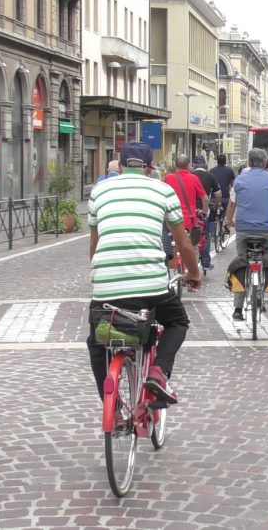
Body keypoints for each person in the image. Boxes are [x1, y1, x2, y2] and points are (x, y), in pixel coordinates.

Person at [88, 143, 200, 404]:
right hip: (151, 287)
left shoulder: (99, 190)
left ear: (121, 164)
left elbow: (94, 243)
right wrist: (194, 273)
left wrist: (101, 275)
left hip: (106, 287)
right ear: (150, 167)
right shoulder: (162, 190)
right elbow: (182, 243)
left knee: (96, 341)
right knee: (177, 322)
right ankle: (159, 372)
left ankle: (111, 404)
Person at [224, 148, 268, 321]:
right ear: (265, 163)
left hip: (243, 229)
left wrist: (229, 221)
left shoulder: (239, 180)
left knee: (241, 264)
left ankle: (237, 308)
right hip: (267, 230)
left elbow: (231, 205)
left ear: (249, 162)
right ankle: (267, 291)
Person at [163, 154, 208, 264]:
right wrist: (204, 212)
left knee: (171, 244)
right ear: (189, 166)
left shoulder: (168, 178)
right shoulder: (193, 178)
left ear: (175, 165)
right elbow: (205, 198)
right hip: (189, 221)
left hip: (171, 220)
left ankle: (173, 267)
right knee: (193, 247)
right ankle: (193, 272)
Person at [192, 155, 221, 270]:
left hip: (191, 210)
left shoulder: (191, 175)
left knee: (189, 235)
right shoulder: (210, 176)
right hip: (204, 210)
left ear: (193, 165)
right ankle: (205, 262)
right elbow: (218, 194)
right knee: (206, 235)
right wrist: (216, 204)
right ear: (205, 165)